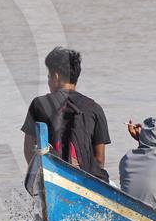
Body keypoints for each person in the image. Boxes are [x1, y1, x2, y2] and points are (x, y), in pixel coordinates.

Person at [21, 47, 110, 180]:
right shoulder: (95, 108)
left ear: (56, 76)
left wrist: (39, 179)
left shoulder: (39, 104)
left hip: (50, 177)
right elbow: (100, 160)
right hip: (88, 181)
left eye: (48, 77)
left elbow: (28, 148)